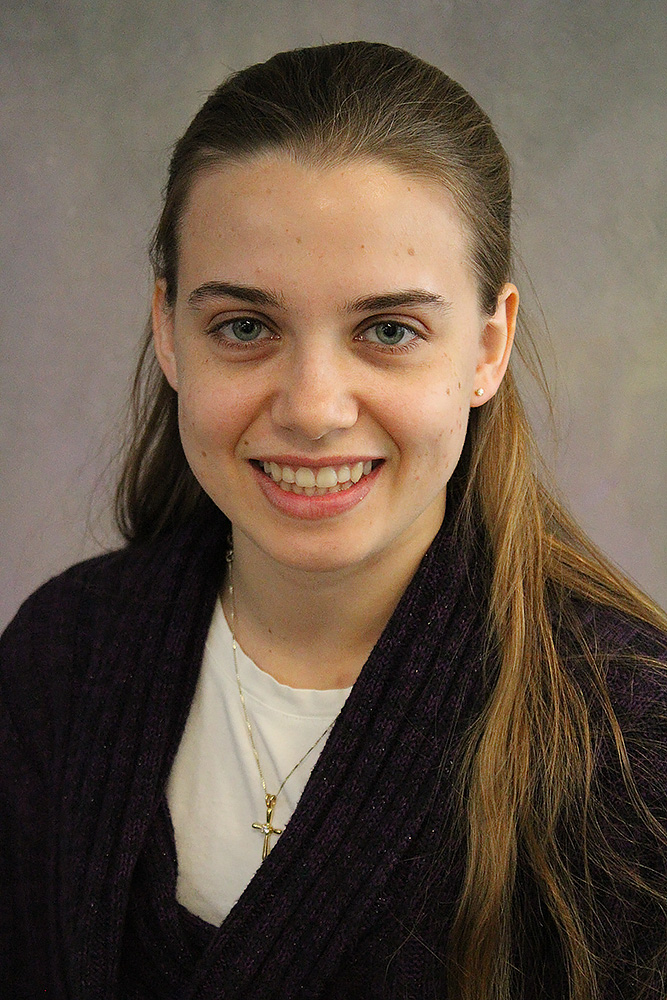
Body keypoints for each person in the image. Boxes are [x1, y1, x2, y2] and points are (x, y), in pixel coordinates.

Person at [2, 40, 666, 1000]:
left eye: (388, 330)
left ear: (487, 348)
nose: (313, 409)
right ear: (169, 332)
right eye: (244, 327)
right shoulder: (59, 659)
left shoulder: (632, 744)